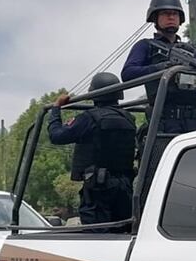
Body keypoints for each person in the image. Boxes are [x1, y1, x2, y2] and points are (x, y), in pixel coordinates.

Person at [48, 72, 136, 230]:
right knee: (122, 231)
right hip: (124, 187)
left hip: (99, 189)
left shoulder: (89, 118)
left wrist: (55, 109)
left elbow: (56, 136)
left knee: (96, 235)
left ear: (94, 94)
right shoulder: (129, 118)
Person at [121, 0, 196, 135]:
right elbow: (128, 74)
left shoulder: (191, 50)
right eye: (165, 13)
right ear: (155, 18)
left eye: (175, 14)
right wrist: (160, 69)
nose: (171, 17)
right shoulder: (146, 46)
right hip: (165, 121)